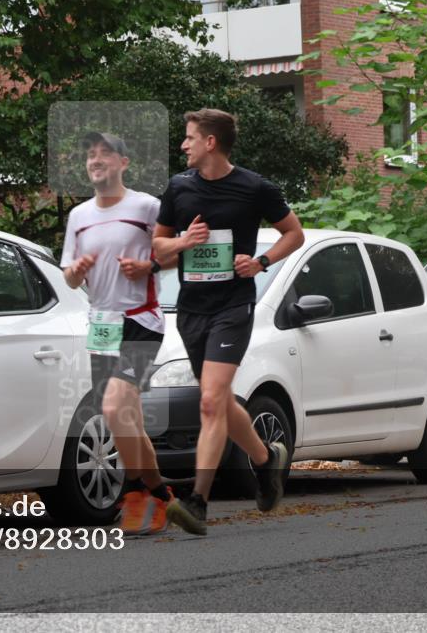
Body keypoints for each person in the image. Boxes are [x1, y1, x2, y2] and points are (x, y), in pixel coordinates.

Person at [153, 109, 305, 535]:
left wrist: (260, 262)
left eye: (188, 138)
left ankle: (197, 501)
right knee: (217, 400)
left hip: (233, 308)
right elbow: (158, 249)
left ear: (210, 143)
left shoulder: (254, 188)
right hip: (192, 309)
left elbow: (295, 233)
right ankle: (265, 459)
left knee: (209, 401)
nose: (183, 145)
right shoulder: (178, 188)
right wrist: (185, 242)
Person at [60, 132, 175, 534]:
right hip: (102, 325)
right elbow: (71, 277)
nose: (95, 160)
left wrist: (150, 268)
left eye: (105, 153)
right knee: (130, 420)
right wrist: (75, 272)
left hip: (141, 321)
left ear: (124, 162)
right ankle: (158, 497)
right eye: (90, 154)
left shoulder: (146, 206)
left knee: (112, 410)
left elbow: (174, 253)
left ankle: (139, 491)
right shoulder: (78, 216)